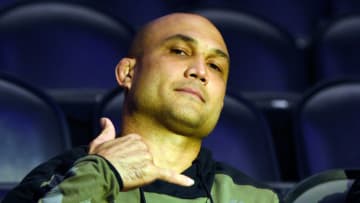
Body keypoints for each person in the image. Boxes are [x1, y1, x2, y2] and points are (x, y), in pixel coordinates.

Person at [3, 13, 279, 203]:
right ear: (127, 73)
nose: (199, 71)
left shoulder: (253, 197)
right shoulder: (58, 178)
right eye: (180, 51)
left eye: (215, 66)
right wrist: (100, 175)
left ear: (221, 99)